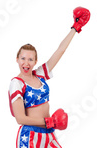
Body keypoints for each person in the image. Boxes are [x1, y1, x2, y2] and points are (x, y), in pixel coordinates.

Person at [8, 7, 90, 148]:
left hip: (49, 132)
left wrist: (75, 28)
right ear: (17, 59)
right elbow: (20, 118)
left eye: (30, 59)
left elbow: (60, 50)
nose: (26, 63)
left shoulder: (40, 75)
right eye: (23, 58)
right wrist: (48, 121)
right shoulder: (17, 83)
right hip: (30, 136)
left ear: (35, 62)